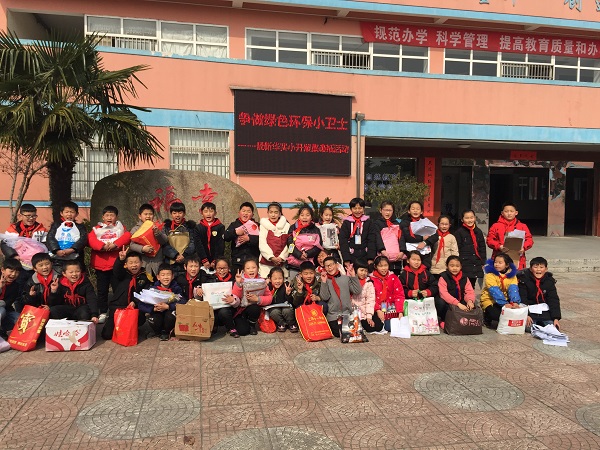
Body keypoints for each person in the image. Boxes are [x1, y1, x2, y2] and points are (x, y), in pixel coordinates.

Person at [88, 205, 131, 324]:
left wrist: (115, 244)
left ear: (116, 217)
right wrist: (102, 246)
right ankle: (102, 311)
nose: (109, 218)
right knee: (102, 290)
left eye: (112, 215)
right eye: (107, 215)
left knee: (118, 289)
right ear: (103, 217)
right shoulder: (96, 229)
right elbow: (91, 240)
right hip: (101, 265)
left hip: (116, 265)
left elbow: (127, 237)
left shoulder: (120, 228)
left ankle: (117, 311)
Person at [100, 250, 153, 340]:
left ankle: (133, 328)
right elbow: (117, 270)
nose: (134, 265)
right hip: (118, 307)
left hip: (134, 308)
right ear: (126, 264)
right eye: (131, 263)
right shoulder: (122, 274)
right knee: (107, 335)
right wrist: (120, 260)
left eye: (136, 262)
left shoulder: (145, 277)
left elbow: (145, 293)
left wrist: (135, 302)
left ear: (141, 263)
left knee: (139, 320)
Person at [319, 256, 361, 337]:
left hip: (347, 313)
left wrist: (353, 276)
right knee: (339, 333)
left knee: (351, 332)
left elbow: (357, 291)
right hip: (333, 315)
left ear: (337, 265)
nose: (329, 267)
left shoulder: (345, 278)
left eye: (331, 264)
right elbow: (324, 297)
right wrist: (323, 282)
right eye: (327, 266)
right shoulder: (326, 280)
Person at [140, 263, 184, 341]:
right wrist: (153, 309)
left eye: (168, 274)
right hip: (157, 312)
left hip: (169, 312)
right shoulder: (152, 289)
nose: (166, 277)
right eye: (163, 275)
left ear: (173, 276)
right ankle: (157, 332)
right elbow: (141, 304)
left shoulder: (176, 288)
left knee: (170, 317)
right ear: (158, 277)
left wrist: (169, 306)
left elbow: (183, 301)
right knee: (154, 319)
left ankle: (167, 332)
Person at [231, 258, 272, 336]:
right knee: (243, 332)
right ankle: (241, 321)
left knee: (254, 308)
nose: (251, 270)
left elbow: (269, 298)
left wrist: (258, 299)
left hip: (253, 308)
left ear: (258, 269)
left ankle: (252, 325)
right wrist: (238, 284)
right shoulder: (240, 279)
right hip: (241, 310)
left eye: (253, 267)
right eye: (248, 268)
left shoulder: (262, 281)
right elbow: (235, 297)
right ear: (244, 270)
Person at [518, 256, 561, 330]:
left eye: (541, 267)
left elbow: (553, 300)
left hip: (544, 312)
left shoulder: (549, 281)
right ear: (531, 269)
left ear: (546, 269)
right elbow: (522, 299)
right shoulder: (524, 280)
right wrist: (526, 315)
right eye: (535, 267)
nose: (538, 270)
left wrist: (556, 318)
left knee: (553, 328)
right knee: (529, 328)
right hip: (530, 311)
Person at [487, 202, 534, 270]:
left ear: (516, 213)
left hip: (518, 258)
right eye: (506, 211)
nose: (509, 213)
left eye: (511, 211)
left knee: (516, 275)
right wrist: (499, 246)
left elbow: (529, 240)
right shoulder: (495, 226)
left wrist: (523, 248)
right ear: (502, 213)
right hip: (499, 258)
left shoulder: (522, 226)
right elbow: (490, 240)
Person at [480, 253, 521, 328]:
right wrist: (504, 303)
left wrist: (515, 302)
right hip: (490, 299)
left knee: (513, 311)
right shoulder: (490, 275)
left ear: (507, 265)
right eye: (495, 262)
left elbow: (513, 289)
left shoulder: (512, 275)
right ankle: (487, 316)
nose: (497, 264)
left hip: (505, 298)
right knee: (497, 315)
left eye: (500, 263)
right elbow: (494, 291)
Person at [45, 201, 88, 273]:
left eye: (72, 212)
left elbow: (83, 240)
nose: (69, 214)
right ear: (61, 213)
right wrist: (56, 250)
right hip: (58, 260)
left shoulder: (80, 227)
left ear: (77, 214)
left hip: (75, 259)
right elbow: (50, 238)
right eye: (67, 212)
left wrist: (72, 249)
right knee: (58, 276)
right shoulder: (56, 225)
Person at [129, 203, 169, 278]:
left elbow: (164, 241)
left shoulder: (158, 226)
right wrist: (142, 249)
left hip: (157, 263)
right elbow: (132, 245)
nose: (148, 216)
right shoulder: (135, 229)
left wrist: (157, 233)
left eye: (150, 214)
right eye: (145, 214)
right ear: (140, 216)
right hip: (143, 264)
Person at [436, 255, 476, 327]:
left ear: (461, 267)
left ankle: (463, 319)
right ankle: (444, 319)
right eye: (452, 266)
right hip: (448, 303)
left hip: (460, 301)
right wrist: (458, 304)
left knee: (471, 304)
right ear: (447, 266)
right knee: (440, 302)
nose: (455, 268)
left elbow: (469, 291)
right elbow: (444, 294)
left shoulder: (464, 277)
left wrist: (470, 301)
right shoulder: (443, 277)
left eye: (457, 266)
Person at [339, 197, 377, 270]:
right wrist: (346, 259)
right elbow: (343, 241)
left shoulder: (369, 222)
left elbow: (372, 240)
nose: (357, 211)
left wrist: (370, 258)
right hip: (351, 255)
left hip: (365, 255)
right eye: (355, 208)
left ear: (363, 208)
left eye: (360, 208)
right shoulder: (346, 223)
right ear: (351, 209)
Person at [286, 204, 322, 280]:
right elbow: (289, 244)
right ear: (299, 217)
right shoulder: (293, 227)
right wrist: (298, 254)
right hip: (294, 265)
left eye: (307, 215)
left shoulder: (316, 229)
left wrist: (307, 254)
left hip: (309, 265)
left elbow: (318, 246)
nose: (304, 217)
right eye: (302, 215)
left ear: (311, 217)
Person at [205, 257, 239, 337]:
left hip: (228, 308)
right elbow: (204, 292)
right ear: (215, 268)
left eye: (224, 268)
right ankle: (214, 326)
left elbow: (238, 296)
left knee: (224, 311)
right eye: (219, 268)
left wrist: (233, 300)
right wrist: (198, 290)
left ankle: (231, 328)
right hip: (214, 308)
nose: (222, 270)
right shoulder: (210, 279)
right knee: (210, 312)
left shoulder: (233, 280)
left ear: (229, 268)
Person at [399, 201, 438, 269]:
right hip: (410, 252)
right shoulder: (404, 223)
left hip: (424, 252)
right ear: (409, 211)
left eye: (418, 209)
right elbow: (407, 237)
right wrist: (422, 238)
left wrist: (425, 242)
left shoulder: (426, 222)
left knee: (425, 270)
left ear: (421, 211)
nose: (415, 211)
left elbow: (435, 235)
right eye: (413, 209)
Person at [162, 202, 196, 278]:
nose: (177, 215)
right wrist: (175, 255)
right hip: (170, 262)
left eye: (180, 213)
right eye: (174, 213)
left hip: (187, 262)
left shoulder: (190, 227)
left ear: (184, 213)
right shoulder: (166, 227)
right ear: (171, 214)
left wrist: (184, 255)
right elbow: (164, 244)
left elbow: (193, 243)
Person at [454, 209, 486, 289]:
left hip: (476, 262)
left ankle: (471, 296)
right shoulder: (459, 232)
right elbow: (457, 248)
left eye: (471, 217)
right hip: (464, 262)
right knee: (463, 283)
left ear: (475, 218)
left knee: (472, 284)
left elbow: (482, 247)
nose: (470, 220)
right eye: (467, 218)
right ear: (462, 220)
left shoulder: (478, 231)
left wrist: (483, 261)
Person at [224, 202, 260, 273]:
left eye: (248, 211)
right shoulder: (234, 225)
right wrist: (235, 232)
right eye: (243, 211)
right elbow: (225, 236)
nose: (245, 213)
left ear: (252, 214)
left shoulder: (257, 225)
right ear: (239, 213)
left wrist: (249, 238)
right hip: (237, 260)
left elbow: (262, 240)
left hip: (253, 260)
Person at [259, 202, 290, 278]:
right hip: (266, 264)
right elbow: (262, 243)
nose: (273, 215)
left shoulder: (287, 226)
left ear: (280, 214)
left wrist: (282, 257)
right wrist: (271, 257)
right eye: (271, 212)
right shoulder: (263, 226)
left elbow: (289, 243)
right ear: (267, 213)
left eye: (276, 212)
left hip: (282, 263)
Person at [373, 201, 405, 275]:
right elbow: (377, 238)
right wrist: (382, 250)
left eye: (390, 210)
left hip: (396, 258)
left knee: (395, 276)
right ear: (380, 210)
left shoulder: (397, 223)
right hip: (383, 256)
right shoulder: (376, 224)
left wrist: (402, 251)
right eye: (385, 210)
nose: (387, 213)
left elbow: (401, 237)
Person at [350, 259, 382, 333]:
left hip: (366, 310)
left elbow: (370, 300)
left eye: (365, 271)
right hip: (355, 311)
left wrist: (369, 316)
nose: (363, 273)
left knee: (379, 326)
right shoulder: (350, 281)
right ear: (356, 270)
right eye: (361, 270)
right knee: (369, 328)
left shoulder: (369, 283)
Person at [193, 202, 225, 269]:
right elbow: (198, 244)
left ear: (215, 213)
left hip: (216, 260)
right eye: (205, 211)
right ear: (202, 213)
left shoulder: (220, 227)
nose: (208, 214)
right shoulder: (198, 228)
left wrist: (216, 260)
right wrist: (204, 259)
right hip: (201, 260)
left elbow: (220, 244)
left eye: (211, 211)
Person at [267, 267, 297, 332]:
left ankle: (291, 323)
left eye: (280, 278)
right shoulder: (268, 287)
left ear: (283, 278)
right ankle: (282, 324)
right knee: (274, 312)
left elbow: (292, 302)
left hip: (286, 307)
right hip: (275, 308)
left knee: (287, 310)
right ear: (270, 279)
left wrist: (288, 294)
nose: (277, 281)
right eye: (275, 279)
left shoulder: (286, 286)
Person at [0, 258, 24, 337]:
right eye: (11, 271)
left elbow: (9, 302)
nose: (13, 274)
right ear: (3, 270)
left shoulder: (16, 285)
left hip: (7, 310)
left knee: (20, 320)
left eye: (17, 272)